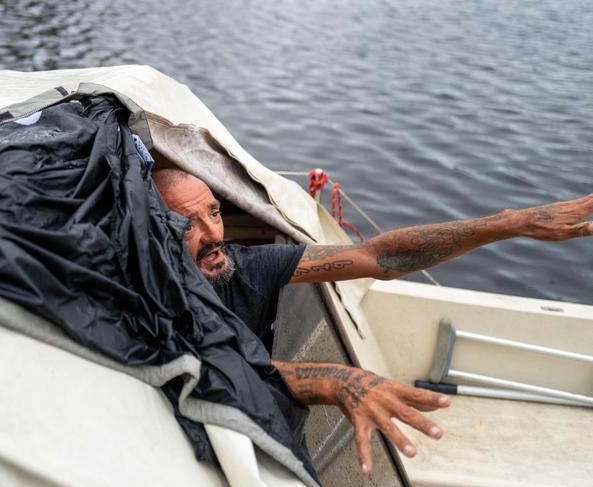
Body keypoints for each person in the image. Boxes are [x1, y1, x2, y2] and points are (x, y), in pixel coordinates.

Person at [152, 167, 593, 474]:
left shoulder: (246, 266)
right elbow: (193, 362)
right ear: (153, 232)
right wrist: (329, 380)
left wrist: (507, 223)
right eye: (188, 224)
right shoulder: (141, 295)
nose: (214, 234)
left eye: (214, 212)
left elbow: (376, 256)